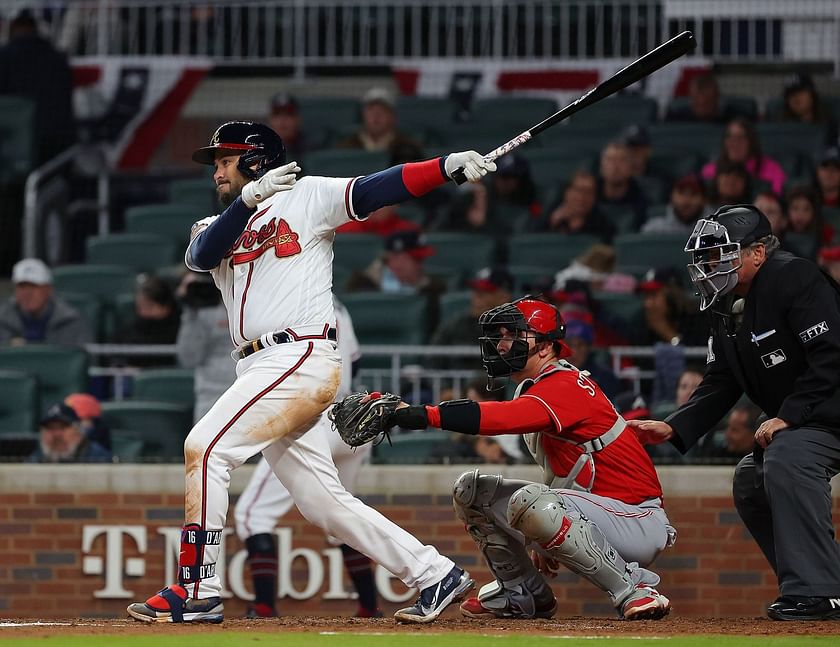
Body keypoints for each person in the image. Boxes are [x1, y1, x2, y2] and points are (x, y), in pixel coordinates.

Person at [126, 120, 495, 624]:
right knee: (322, 503)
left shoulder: (307, 196)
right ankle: (434, 573)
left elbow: (375, 188)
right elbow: (200, 256)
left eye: (225, 159)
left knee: (206, 447)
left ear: (256, 159)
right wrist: (247, 201)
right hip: (257, 365)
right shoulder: (214, 225)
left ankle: (198, 587)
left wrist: (445, 166)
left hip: (298, 354)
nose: (216, 169)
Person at [353, 297, 674, 620]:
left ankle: (634, 589)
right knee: (473, 490)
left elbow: (502, 419)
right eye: (500, 336)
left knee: (531, 501)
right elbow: (571, 470)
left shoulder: (565, 384)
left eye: (513, 335)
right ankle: (522, 592)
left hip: (638, 518)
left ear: (546, 347)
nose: (502, 345)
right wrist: (551, 532)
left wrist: (422, 415)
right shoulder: (536, 385)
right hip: (599, 508)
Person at [628, 204, 840, 620]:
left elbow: (833, 354)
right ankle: (821, 583)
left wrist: (790, 415)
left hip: (828, 411)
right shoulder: (727, 305)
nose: (708, 265)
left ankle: (818, 589)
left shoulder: (794, 278)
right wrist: (673, 427)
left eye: (719, 254)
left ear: (757, 253)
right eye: (704, 257)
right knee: (750, 478)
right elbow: (722, 379)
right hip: (816, 418)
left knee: (788, 456)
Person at [234, 296, 382, 618]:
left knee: (252, 514)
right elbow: (354, 362)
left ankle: (263, 608)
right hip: (350, 418)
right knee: (341, 515)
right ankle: (370, 608)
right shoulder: (336, 303)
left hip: (313, 418)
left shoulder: (283, 299)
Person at [0, 10, 75, 164]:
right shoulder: (58, 59)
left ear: (12, 30)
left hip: (17, 149)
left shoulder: (5, 57)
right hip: (58, 145)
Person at [345, 229, 446, 336]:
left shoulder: (434, 290)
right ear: (392, 259)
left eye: (420, 260)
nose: (419, 265)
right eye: (415, 259)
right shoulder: (360, 286)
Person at [175, 271, 237, 422]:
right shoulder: (198, 310)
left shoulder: (253, 298)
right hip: (210, 395)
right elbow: (189, 358)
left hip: (250, 388)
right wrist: (189, 306)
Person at [429, 266, 514, 371]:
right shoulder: (457, 324)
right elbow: (432, 359)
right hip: (456, 385)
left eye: (485, 292)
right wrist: (445, 386)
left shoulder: (517, 329)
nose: (476, 297)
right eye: (476, 291)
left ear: (504, 297)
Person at [0, 258, 92, 347]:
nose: (27, 294)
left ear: (48, 289)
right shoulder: (3, 319)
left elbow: (87, 358)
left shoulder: (71, 321)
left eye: (33, 286)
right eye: (22, 287)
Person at [701, 118, 786, 196]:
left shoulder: (772, 168)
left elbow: (775, 199)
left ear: (751, 142)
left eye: (740, 138)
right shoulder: (710, 170)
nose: (734, 143)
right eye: (729, 137)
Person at [339, 87, 423, 165]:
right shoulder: (347, 147)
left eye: (382, 111)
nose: (376, 116)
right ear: (363, 115)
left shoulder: (409, 149)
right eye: (371, 111)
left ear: (392, 116)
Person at [113, 275, 181, 368]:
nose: (142, 312)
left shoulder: (181, 329)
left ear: (166, 306)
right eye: (139, 307)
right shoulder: (130, 330)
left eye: (149, 306)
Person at [531, 170, 615, 243]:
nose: (582, 197)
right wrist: (552, 224)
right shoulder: (548, 218)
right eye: (578, 190)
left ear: (594, 198)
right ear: (567, 193)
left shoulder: (604, 225)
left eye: (589, 192)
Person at [26, 402, 112, 464]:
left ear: (78, 431)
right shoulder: (35, 459)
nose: (57, 434)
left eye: (62, 427)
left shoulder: (99, 458)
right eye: (50, 428)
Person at [596, 141, 648, 228]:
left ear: (631, 167)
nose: (615, 166)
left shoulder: (642, 200)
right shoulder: (589, 196)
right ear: (601, 167)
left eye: (621, 160)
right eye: (610, 160)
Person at [641, 174, 711, 235]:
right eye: (681, 193)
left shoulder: (715, 232)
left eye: (693, 194)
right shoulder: (654, 230)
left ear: (704, 200)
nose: (686, 201)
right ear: (671, 196)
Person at [778, 73, 838, 144]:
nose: (795, 97)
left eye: (800, 92)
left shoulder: (831, 128)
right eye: (790, 94)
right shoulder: (782, 130)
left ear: (812, 94)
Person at [665, 73, 736, 124]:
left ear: (716, 98)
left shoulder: (732, 120)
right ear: (691, 98)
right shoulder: (675, 119)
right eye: (697, 102)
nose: (701, 102)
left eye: (707, 103)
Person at [266, 93, 309, 160]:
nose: (283, 120)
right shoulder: (260, 149)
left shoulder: (310, 149)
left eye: (289, 114)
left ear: (298, 120)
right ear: (270, 119)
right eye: (277, 114)